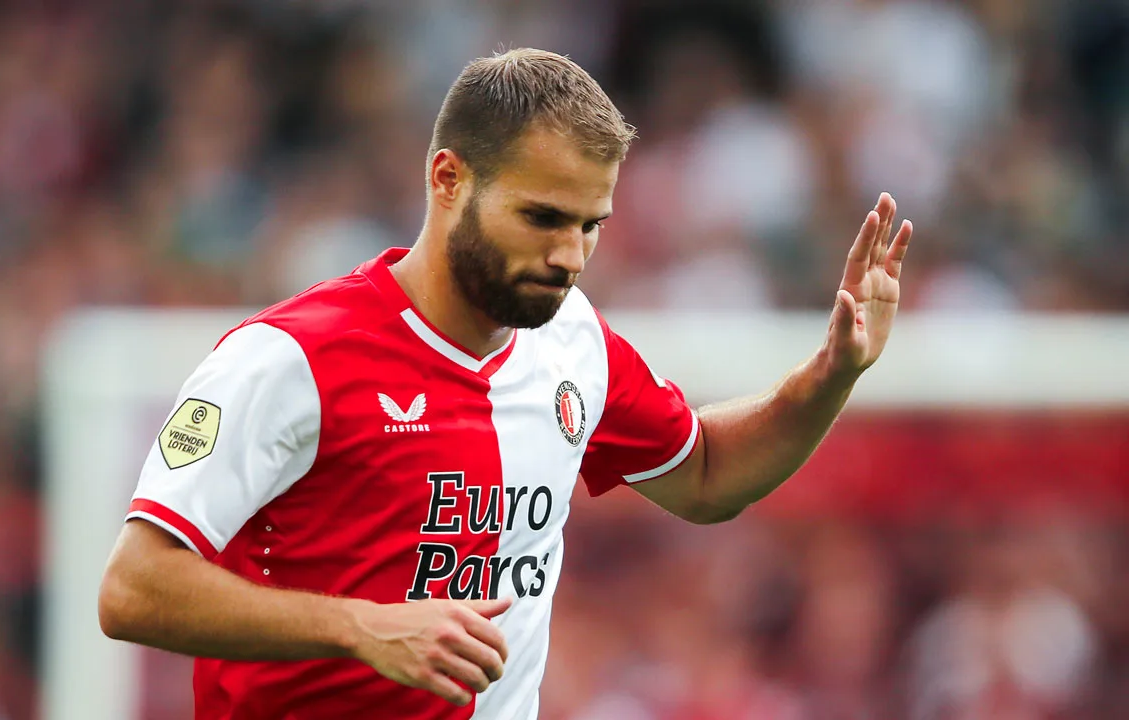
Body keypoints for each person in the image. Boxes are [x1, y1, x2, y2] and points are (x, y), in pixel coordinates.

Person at [97, 48, 914, 719]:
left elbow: (705, 477)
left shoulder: (573, 342)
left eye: (590, 224)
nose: (570, 254)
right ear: (448, 180)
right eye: (543, 218)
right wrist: (360, 629)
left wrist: (831, 375)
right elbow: (133, 589)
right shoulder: (286, 358)